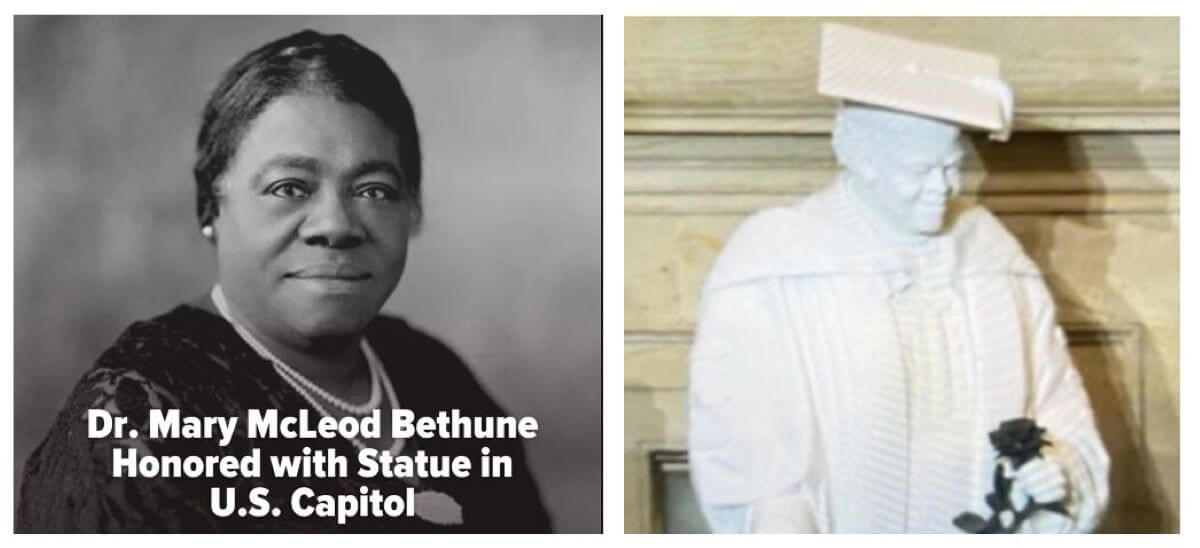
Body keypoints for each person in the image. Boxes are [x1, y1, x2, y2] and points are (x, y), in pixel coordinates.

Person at [18, 29, 550, 533]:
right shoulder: (141, 411)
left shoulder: (434, 379)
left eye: (374, 190)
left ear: (413, 210)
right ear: (210, 208)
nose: (336, 226)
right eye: (289, 186)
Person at [687, 25, 1109, 533]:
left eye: (952, 167)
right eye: (919, 170)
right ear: (860, 161)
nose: (942, 187)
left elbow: (1057, 405)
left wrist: (1055, 471)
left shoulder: (992, 255)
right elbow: (746, 453)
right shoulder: (774, 264)